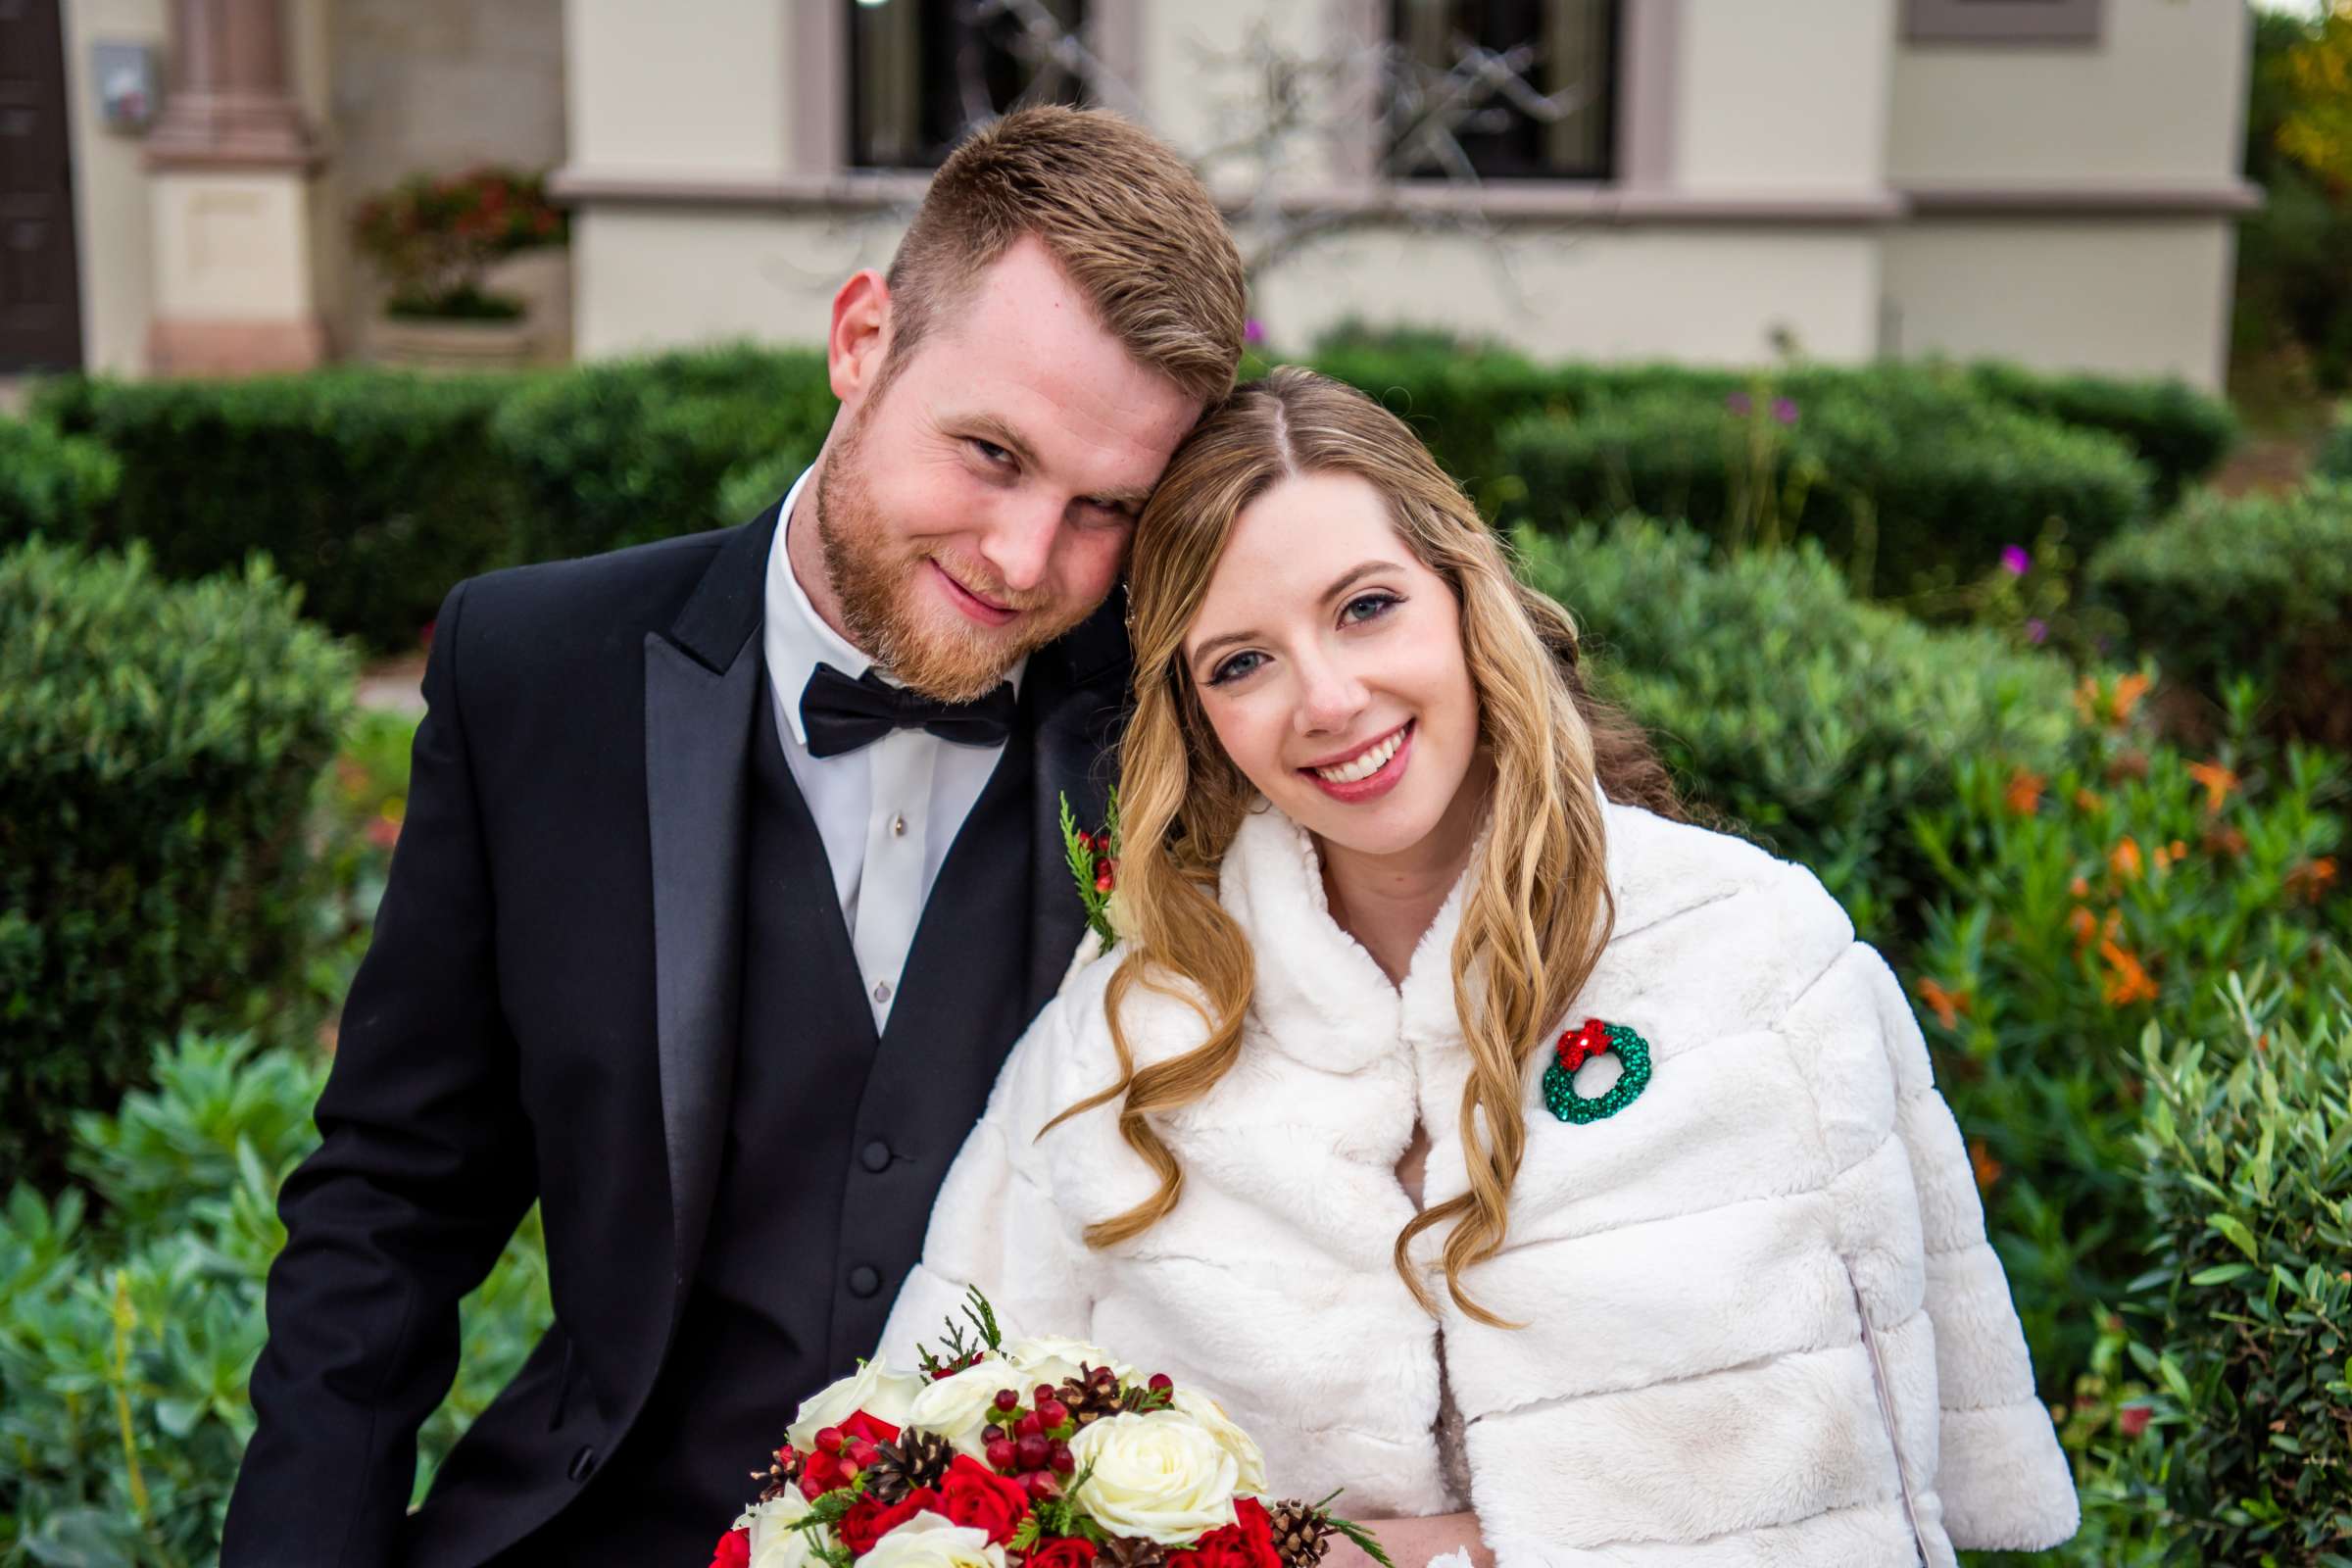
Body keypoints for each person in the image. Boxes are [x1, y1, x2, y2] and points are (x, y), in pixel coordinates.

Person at [222, 107, 1248, 1568]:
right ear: (860, 342)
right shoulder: (538, 669)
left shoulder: (1190, 723)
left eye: (1104, 509)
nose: (1026, 561)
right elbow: (395, 1200)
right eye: (989, 453)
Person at [879, 368, 2080, 1567]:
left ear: (1465, 593)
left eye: (1365, 607)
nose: (1329, 700)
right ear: (1195, 715)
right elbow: (936, 1481)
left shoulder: (1754, 961)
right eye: (1241, 662)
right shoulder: (1124, 1033)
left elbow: (1879, 1500)